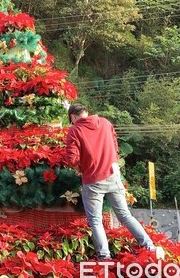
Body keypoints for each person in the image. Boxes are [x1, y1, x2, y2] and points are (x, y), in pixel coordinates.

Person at [64, 103, 164, 261]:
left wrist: (80, 167)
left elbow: (71, 158)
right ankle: (149, 246)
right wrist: (111, 161)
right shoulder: (105, 123)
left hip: (93, 180)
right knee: (125, 215)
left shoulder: (75, 130)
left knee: (95, 220)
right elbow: (115, 144)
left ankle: (104, 257)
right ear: (86, 112)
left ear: (73, 117)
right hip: (113, 175)